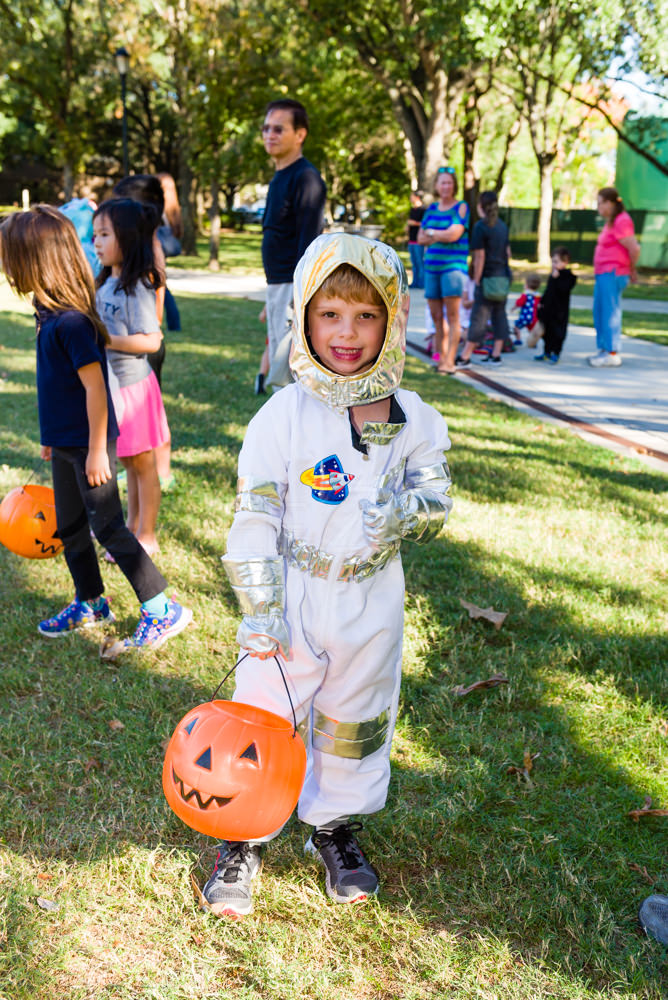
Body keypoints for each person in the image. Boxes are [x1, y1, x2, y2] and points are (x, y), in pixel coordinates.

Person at [200, 232, 453, 918]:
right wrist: (260, 605)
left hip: (370, 597)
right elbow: (254, 515)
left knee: (353, 717)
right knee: (264, 713)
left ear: (393, 320)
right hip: (294, 592)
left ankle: (334, 825)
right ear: (304, 316)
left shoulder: (412, 418)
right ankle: (241, 836)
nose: (347, 332)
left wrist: (407, 512)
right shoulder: (282, 416)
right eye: (330, 313)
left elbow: (438, 500)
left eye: (366, 315)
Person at [0, 205, 192, 649]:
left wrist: (96, 451)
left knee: (108, 527)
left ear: (37, 260)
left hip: (91, 445)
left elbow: (95, 390)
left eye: (13, 258)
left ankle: (163, 607)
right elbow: (57, 386)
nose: (9, 268)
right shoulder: (46, 312)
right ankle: (91, 600)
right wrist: (50, 439)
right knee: (69, 526)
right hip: (65, 442)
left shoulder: (71, 322)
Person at [93, 198, 168, 556]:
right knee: (128, 463)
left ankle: (147, 534)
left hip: (135, 390)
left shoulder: (136, 287)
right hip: (113, 387)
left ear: (127, 237)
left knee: (143, 464)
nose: (97, 242)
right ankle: (132, 528)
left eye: (104, 234)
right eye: (95, 235)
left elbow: (153, 340)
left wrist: (107, 339)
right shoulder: (107, 282)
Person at [113, 174, 176, 489]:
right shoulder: (140, 247)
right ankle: (147, 464)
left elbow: (157, 300)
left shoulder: (149, 249)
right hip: (138, 341)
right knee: (148, 411)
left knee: (152, 412)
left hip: (146, 342)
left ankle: (161, 471)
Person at [259, 97, 327, 388]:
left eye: (278, 129)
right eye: (266, 129)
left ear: (300, 135)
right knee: (279, 365)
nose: (269, 135)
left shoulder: (306, 178)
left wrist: (297, 298)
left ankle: (292, 433)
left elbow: (310, 245)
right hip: (277, 284)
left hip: (292, 287)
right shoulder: (279, 177)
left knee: (289, 374)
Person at [418, 166, 469, 374]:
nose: (446, 186)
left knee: (453, 315)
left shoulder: (461, 207)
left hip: (452, 268)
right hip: (432, 268)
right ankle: (440, 356)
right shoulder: (431, 209)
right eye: (442, 182)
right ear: (437, 186)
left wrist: (433, 233)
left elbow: (454, 234)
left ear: (454, 185)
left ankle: (450, 361)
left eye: (449, 182)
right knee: (436, 315)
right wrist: (441, 233)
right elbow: (420, 238)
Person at [455, 190, 512, 368]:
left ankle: (465, 356)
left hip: (487, 278)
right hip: (502, 277)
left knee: (479, 317)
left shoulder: (481, 226)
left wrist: (477, 279)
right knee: (499, 316)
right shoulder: (502, 226)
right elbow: (508, 252)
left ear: (480, 206)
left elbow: (479, 256)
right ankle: (496, 355)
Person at [589, 186, 640, 368]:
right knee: (600, 311)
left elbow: (634, 248)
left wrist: (631, 269)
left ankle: (611, 352)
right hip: (603, 273)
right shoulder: (612, 221)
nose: (598, 207)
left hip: (613, 272)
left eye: (600, 202)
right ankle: (603, 350)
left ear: (610, 203)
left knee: (610, 312)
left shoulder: (622, 221)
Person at [534, 247, 576, 364]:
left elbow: (564, 289)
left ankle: (556, 353)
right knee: (547, 332)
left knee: (558, 333)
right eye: (553, 261)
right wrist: (541, 303)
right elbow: (548, 291)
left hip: (560, 312)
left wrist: (557, 279)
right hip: (548, 309)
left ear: (565, 262)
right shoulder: (553, 275)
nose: (554, 264)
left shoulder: (568, 276)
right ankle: (546, 351)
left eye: (556, 262)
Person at [512, 273, 541, 347]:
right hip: (533, 317)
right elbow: (540, 305)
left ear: (527, 285)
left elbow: (520, 303)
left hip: (524, 317)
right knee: (532, 330)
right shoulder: (538, 296)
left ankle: (518, 340)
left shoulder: (525, 294)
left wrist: (514, 307)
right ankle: (533, 343)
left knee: (516, 327)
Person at [406, 190, 425, 289]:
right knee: (413, 262)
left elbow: (425, 224)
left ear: (417, 197)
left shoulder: (423, 210)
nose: (410, 198)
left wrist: (414, 223)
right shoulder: (412, 210)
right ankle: (415, 282)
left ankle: (422, 283)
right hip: (411, 240)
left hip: (419, 241)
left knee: (419, 261)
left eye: (412, 196)